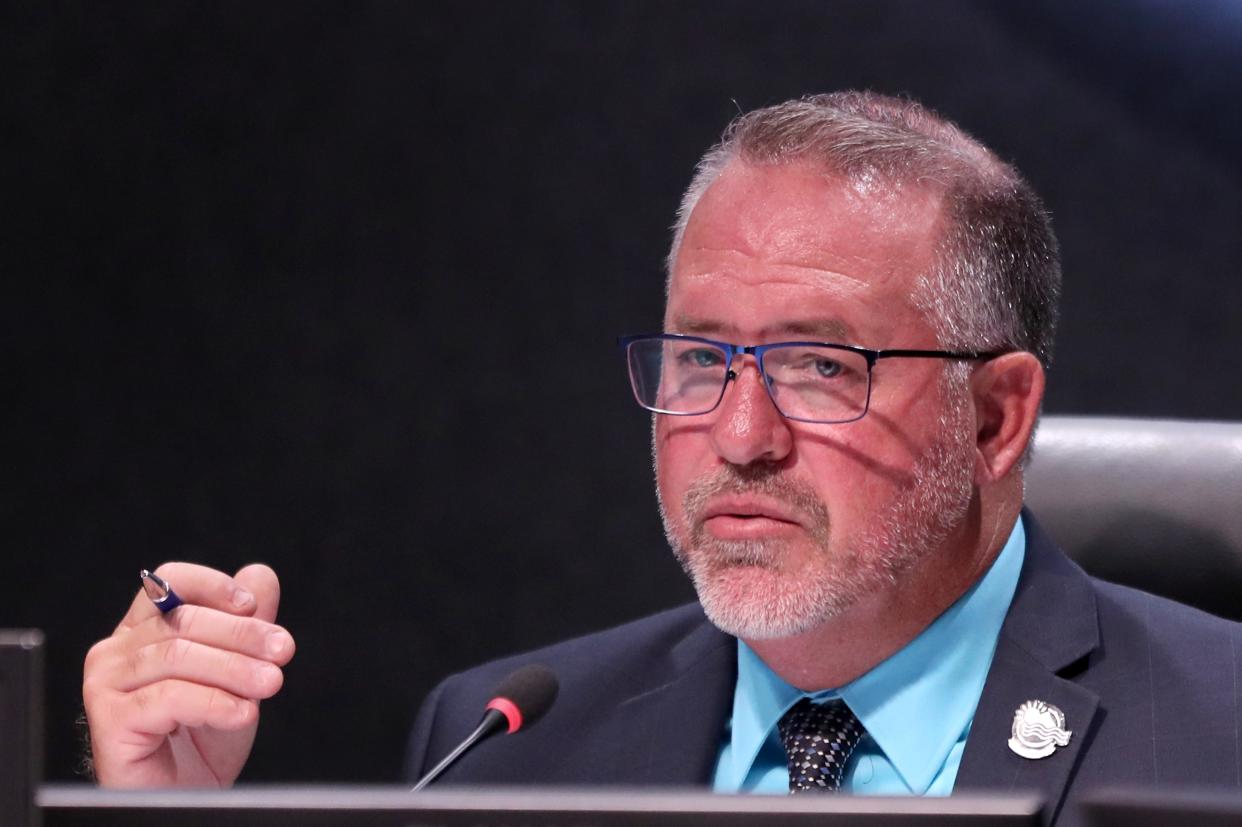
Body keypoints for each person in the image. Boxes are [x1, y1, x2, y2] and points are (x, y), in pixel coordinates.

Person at [82, 92, 1242, 825]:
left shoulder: (1220, 736)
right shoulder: (500, 749)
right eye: (699, 360)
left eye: (820, 368)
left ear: (995, 416)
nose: (739, 438)